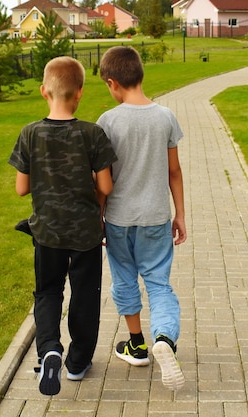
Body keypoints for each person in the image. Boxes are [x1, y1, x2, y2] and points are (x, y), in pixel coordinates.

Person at [8, 56, 117, 396]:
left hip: (47, 233)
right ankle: (78, 362)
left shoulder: (30, 133)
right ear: (80, 93)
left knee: (48, 291)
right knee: (85, 295)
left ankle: (49, 349)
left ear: (44, 91)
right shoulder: (92, 134)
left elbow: (21, 188)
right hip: (85, 232)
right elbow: (107, 187)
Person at [96, 46, 187, 391]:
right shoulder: (165, 116)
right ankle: (164, 337)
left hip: (119, 219)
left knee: (124, 280)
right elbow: (174, 172)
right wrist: (180, 214)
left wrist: (99, 217)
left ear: (113, 83)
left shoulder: (108, 121)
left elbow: (103, 180)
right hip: (156, 219)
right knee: (159, 284)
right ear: (141, 76)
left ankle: (136, 344)